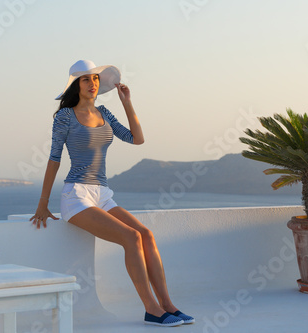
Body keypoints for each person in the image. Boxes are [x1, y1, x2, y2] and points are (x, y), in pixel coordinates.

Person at [30, 60, 194, 327]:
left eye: (95, 79)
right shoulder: (65, 116)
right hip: (77, 195)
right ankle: (151, 309)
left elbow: (136, 139)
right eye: (86, 79)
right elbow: (54, 159)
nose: (92, 83)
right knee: (130, 237)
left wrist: (127, 102)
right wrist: (43, 203)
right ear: (75, 85)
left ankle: (168, 305)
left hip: (102, 193)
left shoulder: (105, 112)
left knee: (146, 235)